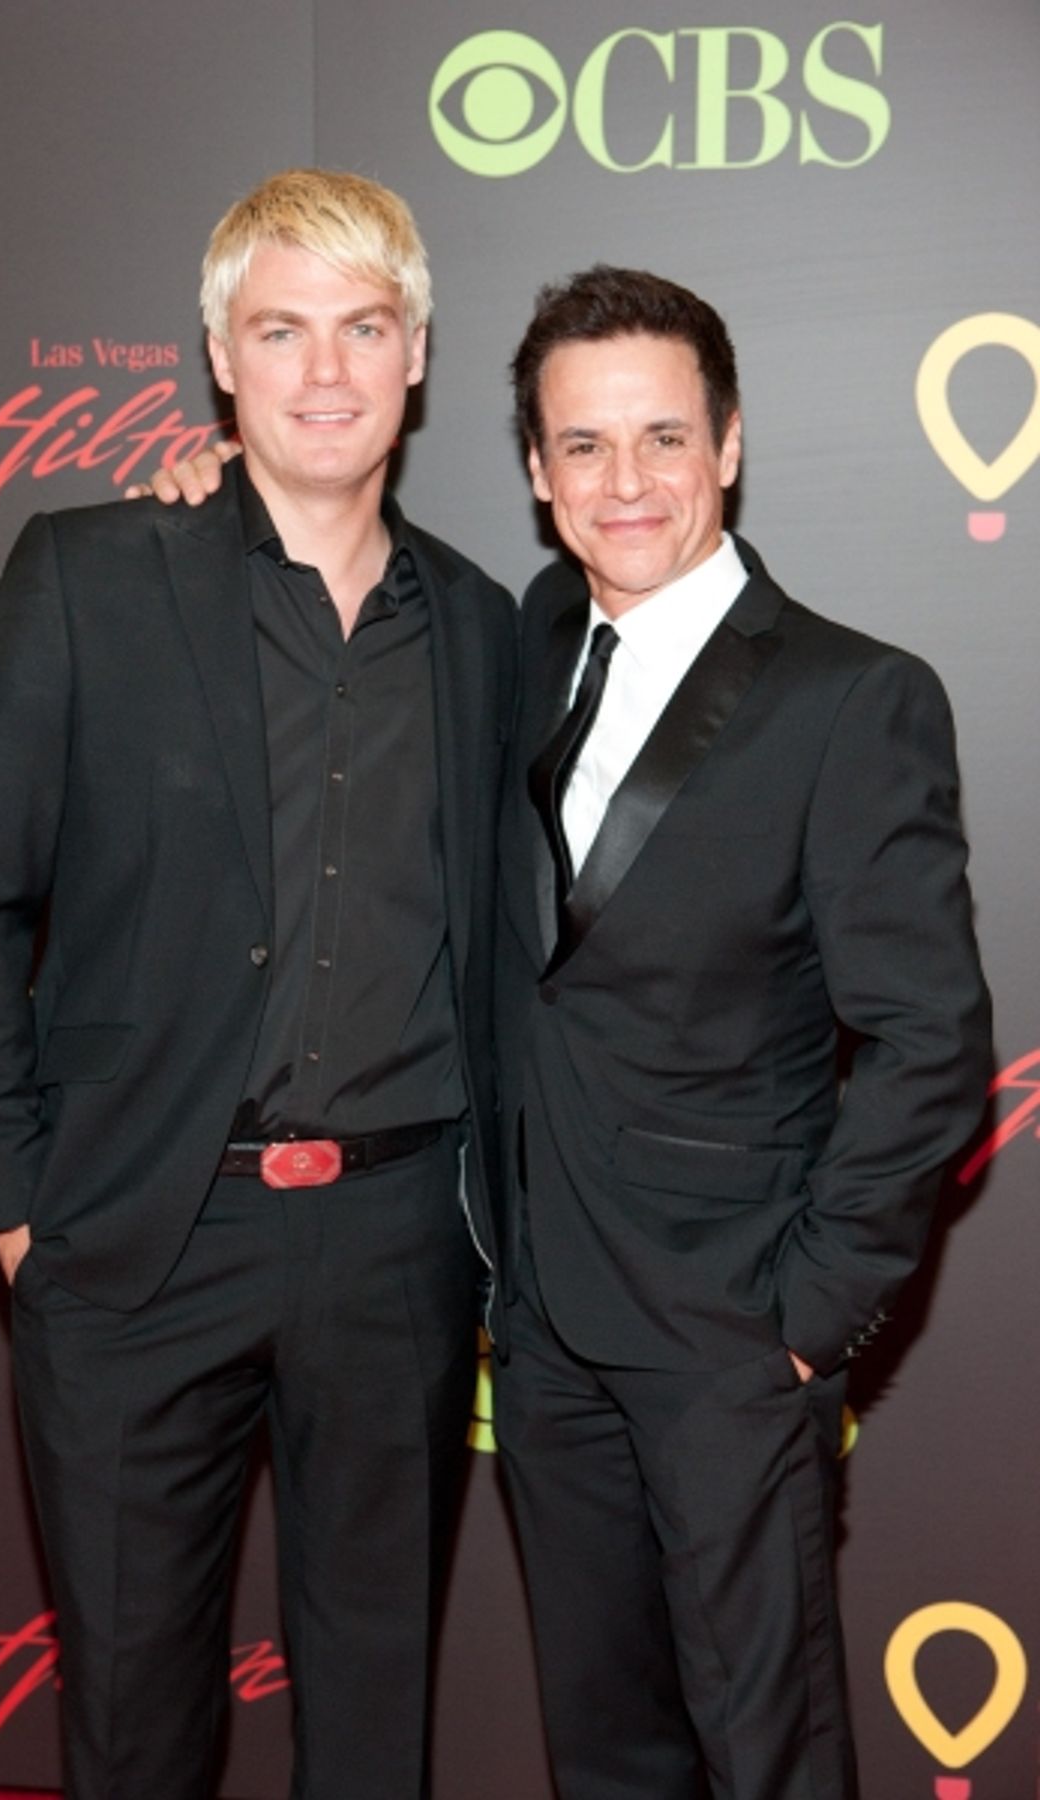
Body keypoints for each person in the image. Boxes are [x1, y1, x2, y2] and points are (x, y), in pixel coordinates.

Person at [0, 168, 517, 1800]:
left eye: (364, 327)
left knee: (376, 1713)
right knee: (131, 1713)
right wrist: (21, 1207)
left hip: (399, 1244)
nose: (326, 371)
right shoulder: (87, 575)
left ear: (416, 356)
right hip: (133, 1236)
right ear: (221, 358)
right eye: (283, 329)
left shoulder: (488, 632)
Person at [489, 266, 993, 1799]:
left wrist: (806, 1313)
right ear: (534, 470)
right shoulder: (523, 649)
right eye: (583, 446)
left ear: (728, 446)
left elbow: (932, 1043)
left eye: (661, 437)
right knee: (607, 1744)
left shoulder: (854, 698)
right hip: (545, 1327)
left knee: (765, 1750)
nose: (624, 481)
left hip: (729, 1335)